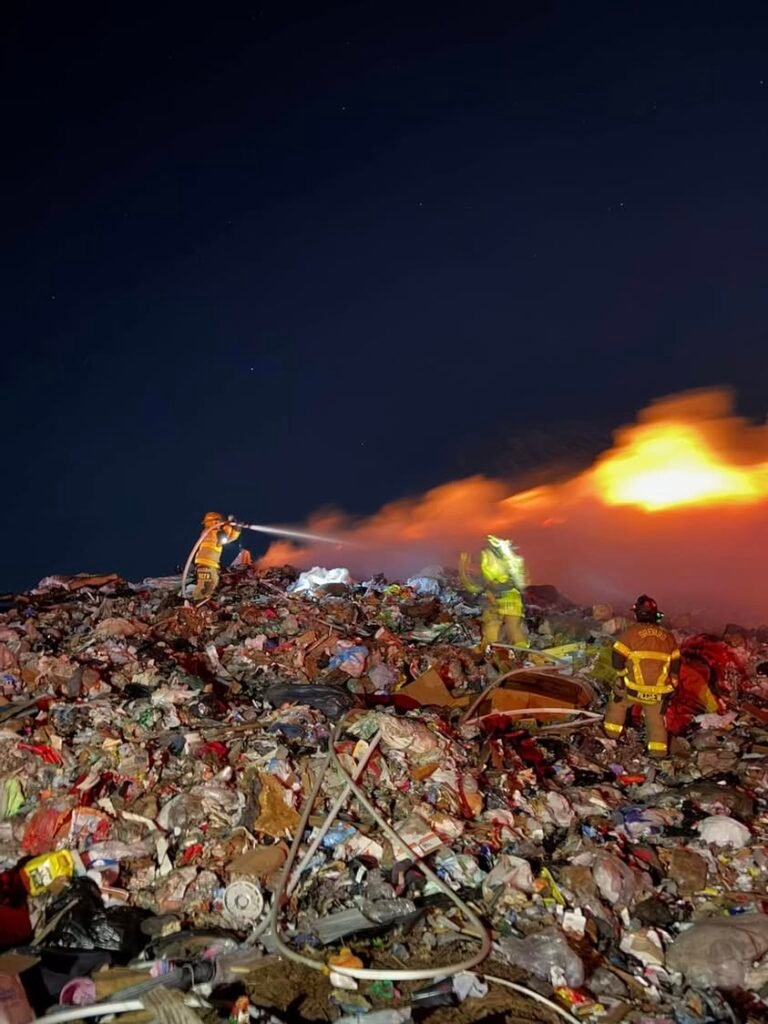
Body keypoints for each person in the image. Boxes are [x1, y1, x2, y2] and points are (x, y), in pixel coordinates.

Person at [604, 594, 681, 758]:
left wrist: (622, 676)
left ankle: (609, 741)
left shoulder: (630, 634)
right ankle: (658, 755)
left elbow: (617, 660)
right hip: (658, 692)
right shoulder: (668, 637)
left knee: (617, 706)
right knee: (656, 722)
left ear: (638, 614)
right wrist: (672, 685)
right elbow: (675, 665)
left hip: (633, 688)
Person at [459, 535, 529, 649]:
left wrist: (462, 566)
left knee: (491, 630)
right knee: (514, 630)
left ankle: (493, 653)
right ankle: (524, 655)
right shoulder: (507, 560)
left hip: (496, 599)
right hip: (513, 597)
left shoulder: (486, 559)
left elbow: (475, 586)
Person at [192, 512, 241, 601]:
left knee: (213, 582)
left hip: (210, 563)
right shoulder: (209, 532)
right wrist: (229, 524)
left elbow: (230, 538)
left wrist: (237, 528)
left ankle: (201, 602)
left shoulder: (216, 532)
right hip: (205, 563)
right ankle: (195, 602)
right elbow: (224, 537)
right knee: (205, 585)